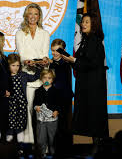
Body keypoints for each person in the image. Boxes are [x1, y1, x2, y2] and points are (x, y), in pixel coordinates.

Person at [62, 13, 109, 143]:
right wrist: (71, 60)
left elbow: (92, 63)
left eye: (87, 22)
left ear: (94, 24)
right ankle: (96, 145)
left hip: (93, 86)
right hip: (87, 84)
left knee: (95, 116)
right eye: (83, 21)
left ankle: (98, 146)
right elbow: (82, 63)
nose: (83, 24)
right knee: (90, 117)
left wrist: (74, 60)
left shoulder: (94, 40)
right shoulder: (86, 40)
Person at [15, 3, 50, 144]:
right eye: (30, 13)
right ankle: (28, 144)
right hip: (27, 77)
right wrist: (28, 62)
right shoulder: (19, 33)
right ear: (26, 15)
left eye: (36, 14)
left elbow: (44, 54)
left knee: (43, 111)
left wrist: (45, 60)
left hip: (42, 76)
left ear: (39, 16)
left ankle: (43, 145)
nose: (33, 17)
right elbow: (22, 55)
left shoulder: (45, 33)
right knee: (28, 111)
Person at [5, 53, 41, 153]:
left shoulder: (23, 75)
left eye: (17, 65)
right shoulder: (5, 76)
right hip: (10, 105)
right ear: (8, 65)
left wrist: (35, 66)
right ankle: (8, 148)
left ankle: (20, 148)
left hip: (21, 105)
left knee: (20, 127)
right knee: (10, 127)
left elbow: (35, 76)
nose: (15, 68)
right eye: (13, 65)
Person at [48, 39, 74, 156]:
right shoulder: (51, 63)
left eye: (58, 50)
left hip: (64, 98)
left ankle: (66, 151)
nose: (54, 53)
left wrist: (51, 63)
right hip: (54, 99)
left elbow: (60, 79)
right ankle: (55, 149)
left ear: (63, 51)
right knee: (54, 125)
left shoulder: (66, 62)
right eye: (53, 50)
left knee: (65, 125)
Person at [33, 69, 60, 157]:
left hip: (52, 119)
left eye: (49, 78)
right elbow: (35, 103)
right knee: (41, 138)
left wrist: (56, 110)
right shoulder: (38, 91)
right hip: (41, 119)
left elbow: (58, 103)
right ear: (41, 79)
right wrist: (36, 107)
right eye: (45, 78)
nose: (47, 80)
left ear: (52, 79)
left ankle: (53, 152)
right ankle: (42, 152)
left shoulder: (56, 91)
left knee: (52, 137)